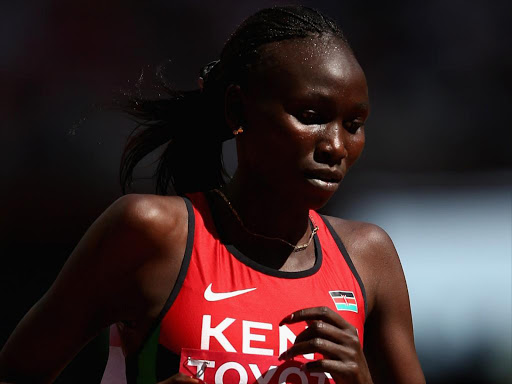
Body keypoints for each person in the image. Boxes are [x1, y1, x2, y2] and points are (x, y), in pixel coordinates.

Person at [0, 5, 426, 384]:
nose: (335, 145)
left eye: (354, 124)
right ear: (237, 110)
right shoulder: (150, 233)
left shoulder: (369, 259)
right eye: (311, 116)